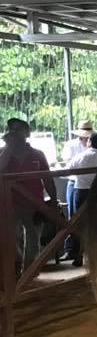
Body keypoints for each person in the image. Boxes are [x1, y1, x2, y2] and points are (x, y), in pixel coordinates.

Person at [0, 118, 57, 277]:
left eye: (19, 130)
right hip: (9, 204)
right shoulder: (3, 154)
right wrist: (9, 148)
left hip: (34, 203)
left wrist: (53, 201)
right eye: (12, 130)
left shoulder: (37, 154)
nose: (15, 133)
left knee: (33, 238)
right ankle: (16, 270)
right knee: (12, 238)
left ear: (26, 133)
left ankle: (30, 272)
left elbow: (47, 179)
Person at [65, 132, 97, 267]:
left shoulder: (81, 156)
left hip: (81, 192)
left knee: (79, 223)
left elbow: (69, 169)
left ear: (90, 142)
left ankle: (78, 254)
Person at [61, 119, 94, 260]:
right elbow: (68, 164)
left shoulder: (93, 146)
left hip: (90, 184)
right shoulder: (71, 145)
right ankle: (71, 250)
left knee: (90, 218)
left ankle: (87, 251)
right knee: (73, 218)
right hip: (74, 182)